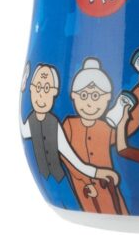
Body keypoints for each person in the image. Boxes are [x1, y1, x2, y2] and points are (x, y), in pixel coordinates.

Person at [61, 54, 139, 214]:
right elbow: (66, 157)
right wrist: (86, 181)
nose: (89, 103)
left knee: (117, 208)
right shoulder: (68, 126)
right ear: (73, 95)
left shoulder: (104, 127)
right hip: (84, 189)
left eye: (95, 96)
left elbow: (128, 125)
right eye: (84, 95)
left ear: (107, 98)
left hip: (108, 187)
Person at [20, 63, 119, 204]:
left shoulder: (55, 125)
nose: (41, 94)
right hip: (48, 182)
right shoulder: (31, 121)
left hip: (61, 181)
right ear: (31, 88)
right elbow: (25, 131)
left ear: (54, 93)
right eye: (38, 87)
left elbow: (73, 159)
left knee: (70, 201)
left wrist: (98, 173)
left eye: (47, 88)